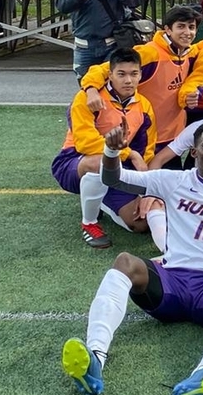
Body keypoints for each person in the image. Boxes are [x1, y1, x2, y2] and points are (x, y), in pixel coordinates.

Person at [60, 121, 203, 395]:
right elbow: (115, 180)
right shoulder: (174, 180)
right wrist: (111, 152)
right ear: (194, 151)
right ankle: (95, 358)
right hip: (168, 284)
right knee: (125, 261)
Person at [50, 48, 158, 249]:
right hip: (75, 163)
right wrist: (128, 153)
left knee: (141, 223)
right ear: (110, 74)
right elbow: (84, 142)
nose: (128, 80)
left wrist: (145, 190)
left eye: (134, 74)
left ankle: (100, 201)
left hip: (119, 168)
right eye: (121, 74)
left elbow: (146, 151)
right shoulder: (87, 99)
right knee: (101, 163)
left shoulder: (144, 106)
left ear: (141, 75)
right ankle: (89, 223)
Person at [80, 5, 202, 156]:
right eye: (181, 27)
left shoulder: (191, 53)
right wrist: (91, 90)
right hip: (146, 139)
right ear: (168, 30)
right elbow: (102, 70)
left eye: (191, 27)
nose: (187, 32)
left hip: (173, 139)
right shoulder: (149, 53)